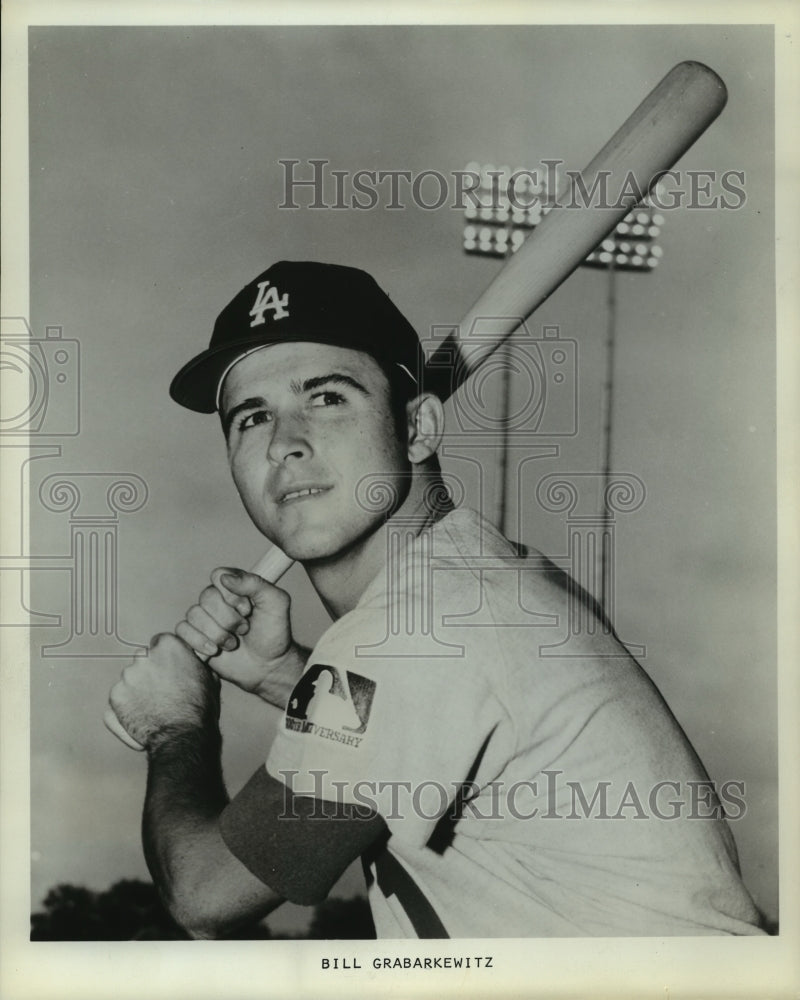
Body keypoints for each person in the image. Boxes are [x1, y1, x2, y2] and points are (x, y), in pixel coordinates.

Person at [108, 260, 764, 939]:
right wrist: (282, 673)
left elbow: (207, 892)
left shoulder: (420, 627)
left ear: (419, 428)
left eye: (327, 398)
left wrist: (175, 725)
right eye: (252, 417)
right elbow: (410, 722)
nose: (285, 444)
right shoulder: (460, 589)